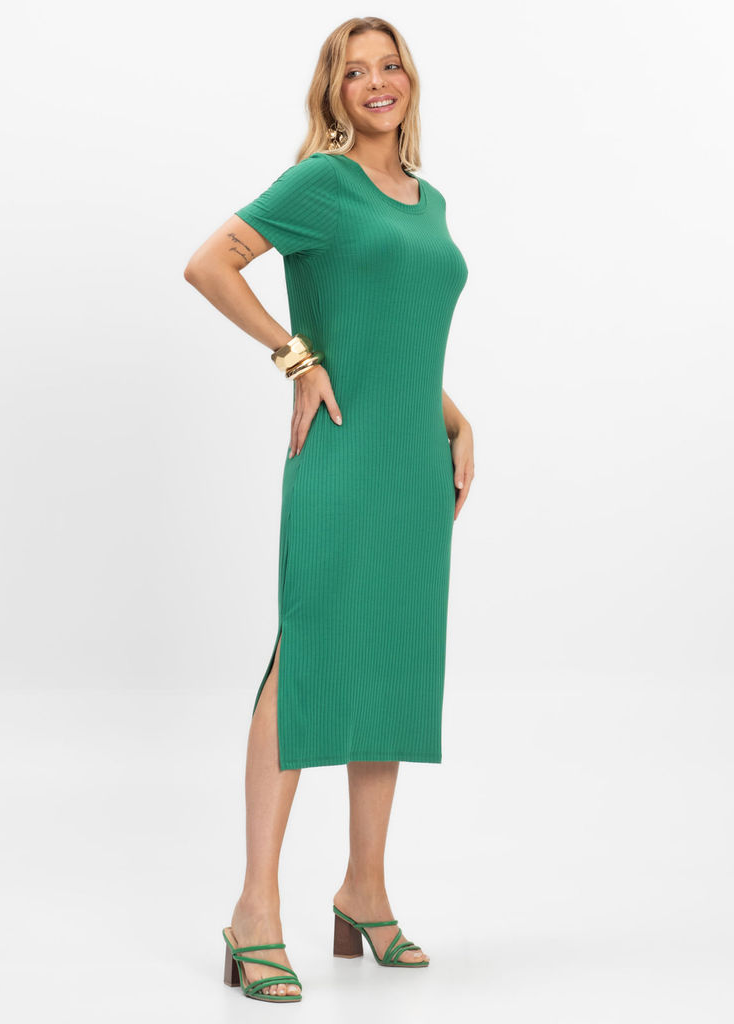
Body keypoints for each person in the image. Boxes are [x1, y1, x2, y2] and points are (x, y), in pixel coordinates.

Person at [183, 16, 474, 1003]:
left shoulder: (429, 200)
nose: (377, 81)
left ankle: (364, 891)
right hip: (343, 456)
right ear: (333, 91)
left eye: (391, 65)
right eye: (356, 71)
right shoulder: (320, 182)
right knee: (308, 659)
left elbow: (393, 332)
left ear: (410, 80)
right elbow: (209, 264)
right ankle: (254, 910)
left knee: (388, 662)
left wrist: (452, 416)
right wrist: (293, 355)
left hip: (412, 461)